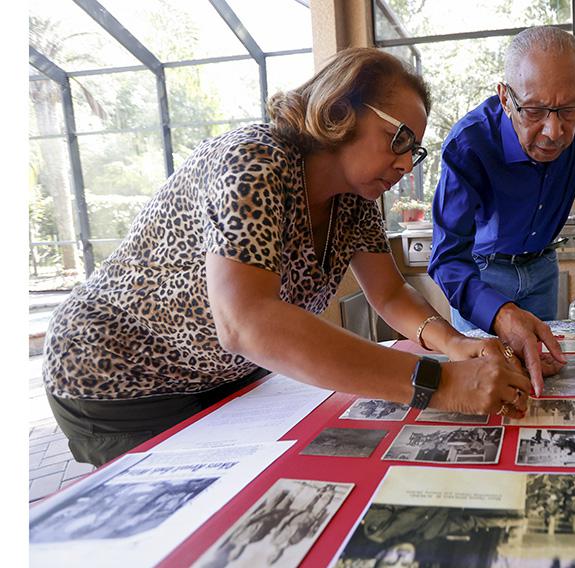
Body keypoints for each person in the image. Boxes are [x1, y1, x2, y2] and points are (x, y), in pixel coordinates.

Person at [43, 48, 532, 467]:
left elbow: (387, 293)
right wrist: (440, 383)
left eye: (415, 151)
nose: (406, 162)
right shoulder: (253, 159)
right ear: (341, 109)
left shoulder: (355, 200)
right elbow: (247, 323)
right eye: (400, 138)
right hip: (117, 377)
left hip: (222, 375)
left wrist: (452, 343)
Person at [428, 26, 575, 395]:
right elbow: (447, 259)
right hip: (483, 278)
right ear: (505, 98)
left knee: (550, 381)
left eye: (569, 109)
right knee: (490, 383)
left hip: (542, 268)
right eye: (535, 111)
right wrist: (500, 313)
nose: (554, 132)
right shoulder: (468, 144)